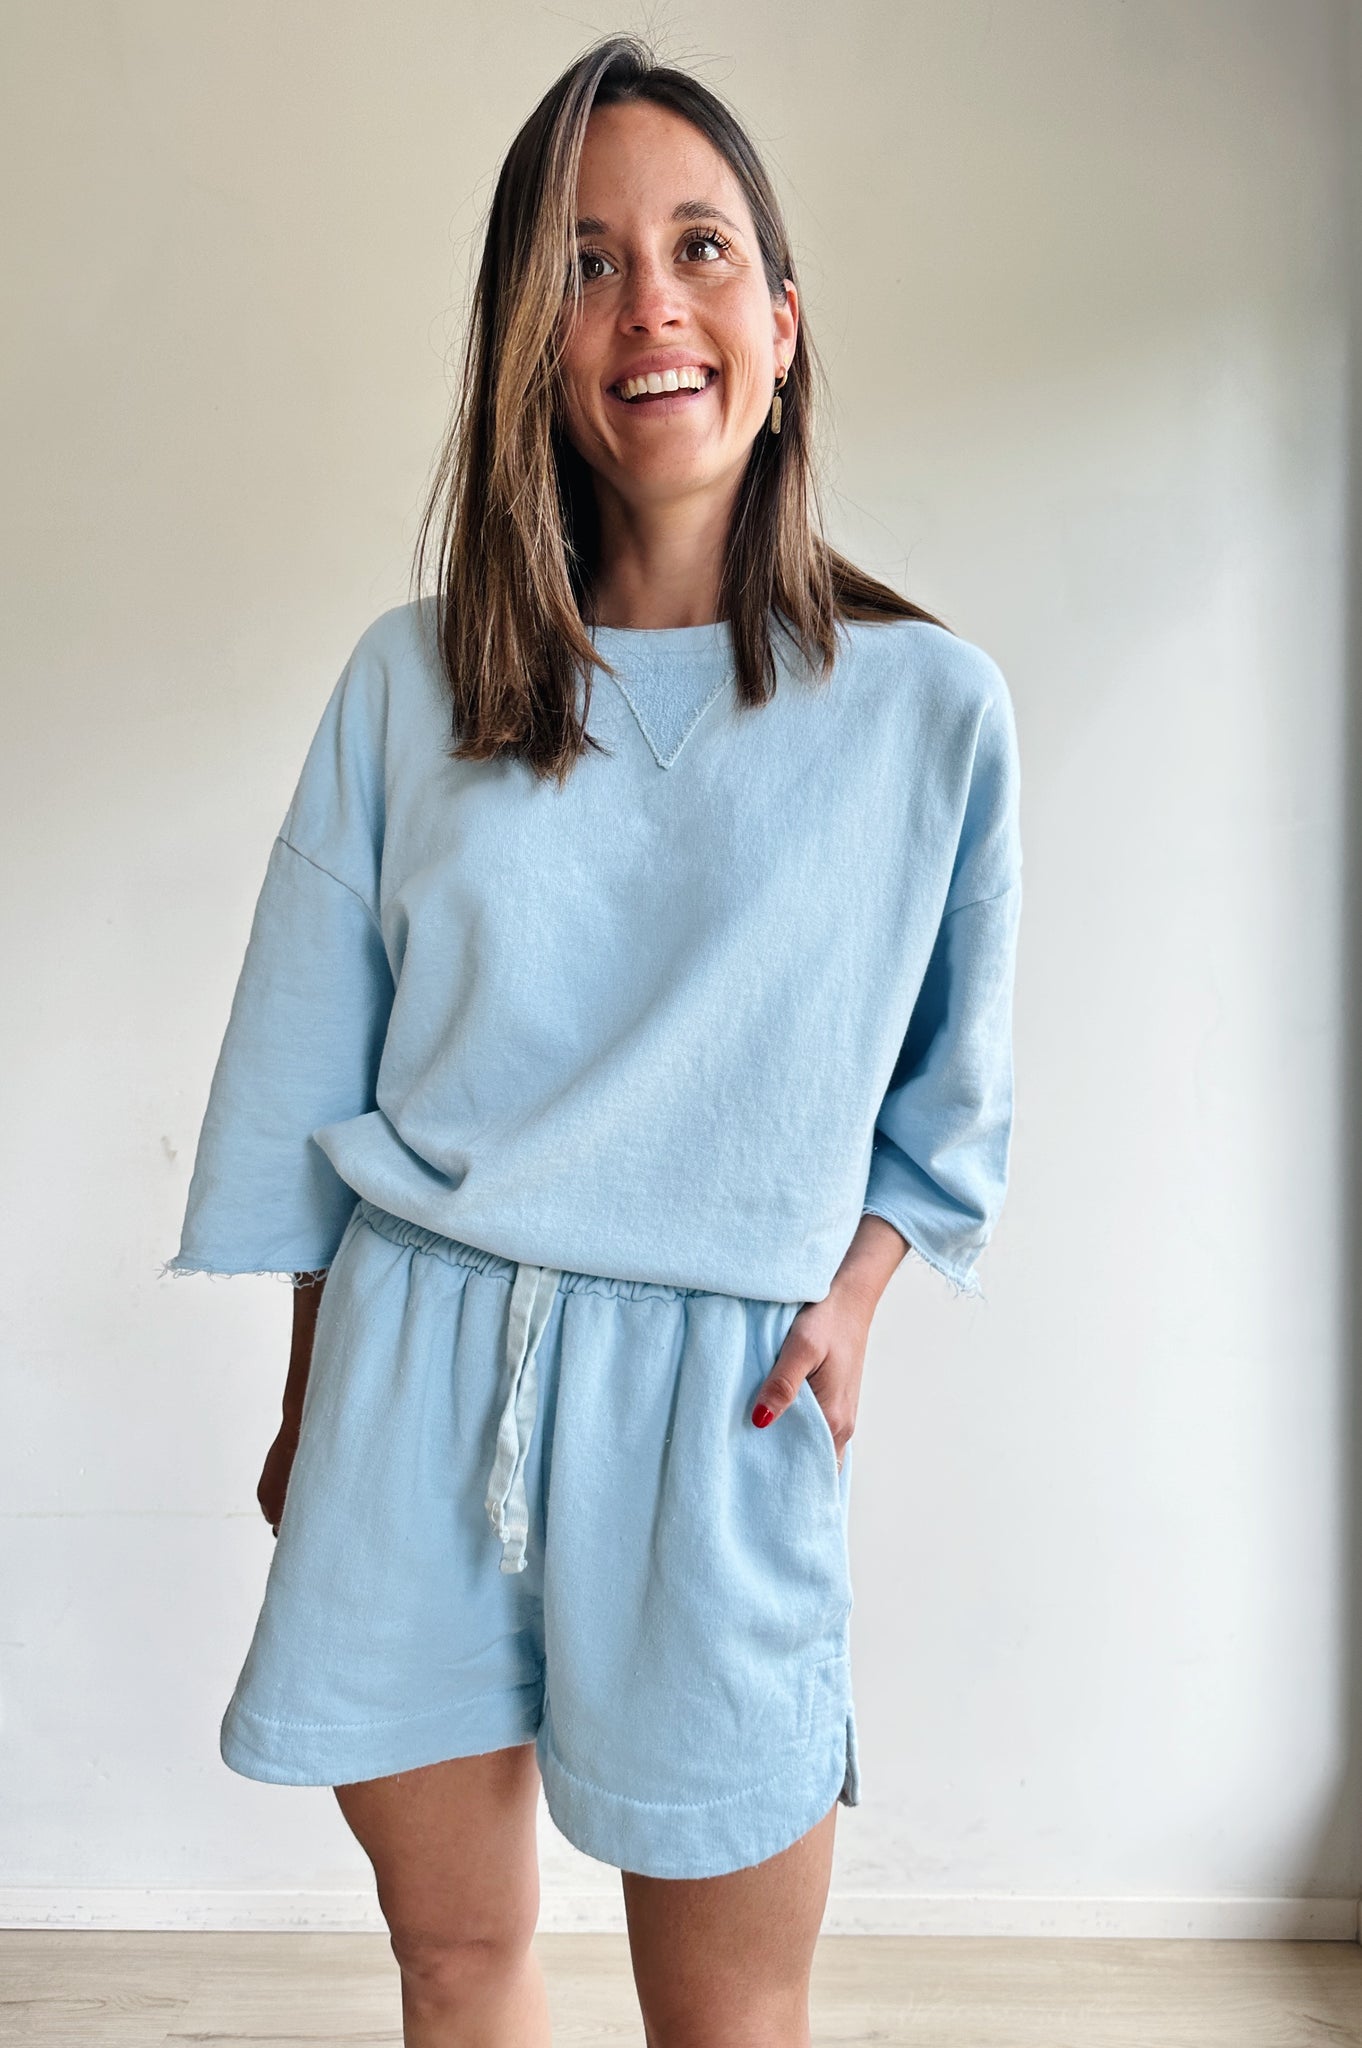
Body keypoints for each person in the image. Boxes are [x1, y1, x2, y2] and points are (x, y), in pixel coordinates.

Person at [162, 33, 1023, 2048]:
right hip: (415, 1370)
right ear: (525, 351)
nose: (650, 302)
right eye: (584, 263)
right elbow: (305, 1067)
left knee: (729, 2013)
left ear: (783, 323)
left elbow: (952, 1090)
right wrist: (309, 1401)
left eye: (700, 248)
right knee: (457, 1964)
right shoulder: (414, 686)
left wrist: (858, 1294)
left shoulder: (928, 710)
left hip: (719, 1417)